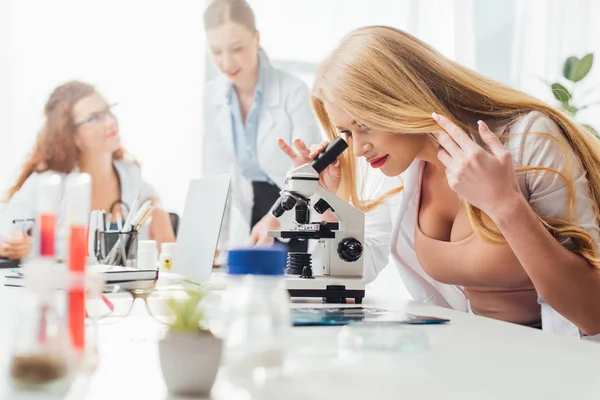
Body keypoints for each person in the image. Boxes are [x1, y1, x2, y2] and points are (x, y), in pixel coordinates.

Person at [259, 26, 600, 337]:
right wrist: (327, 203)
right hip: (466, 354)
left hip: (555, 362)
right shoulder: (401, 169)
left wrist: (505, 206)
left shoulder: (528, 139)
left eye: (366, 124)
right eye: (347, 132)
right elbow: (350, 280)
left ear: (401, 100)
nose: (358, 148)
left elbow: (594, 312)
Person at [0, 81, 176, 260]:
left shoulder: (129, 172)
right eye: (95, 118)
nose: (110, 122)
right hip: (69, 286)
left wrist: (159, 211)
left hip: (120, 288)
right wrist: (29, 248)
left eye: (108, 110)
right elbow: (3, 235)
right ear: (72, 136)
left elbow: (149, 195)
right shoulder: (48, 183)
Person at [202, 0, 322, 251]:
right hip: (253, 211)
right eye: (216, 51)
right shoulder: (214, 97)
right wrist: (213, 247)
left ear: (256, 38)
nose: (226, 62)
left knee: (292, 283)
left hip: (296, 208)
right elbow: (217, 179)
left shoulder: (293, 91)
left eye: (236, 48)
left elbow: (309, 170)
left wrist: (277, 217)